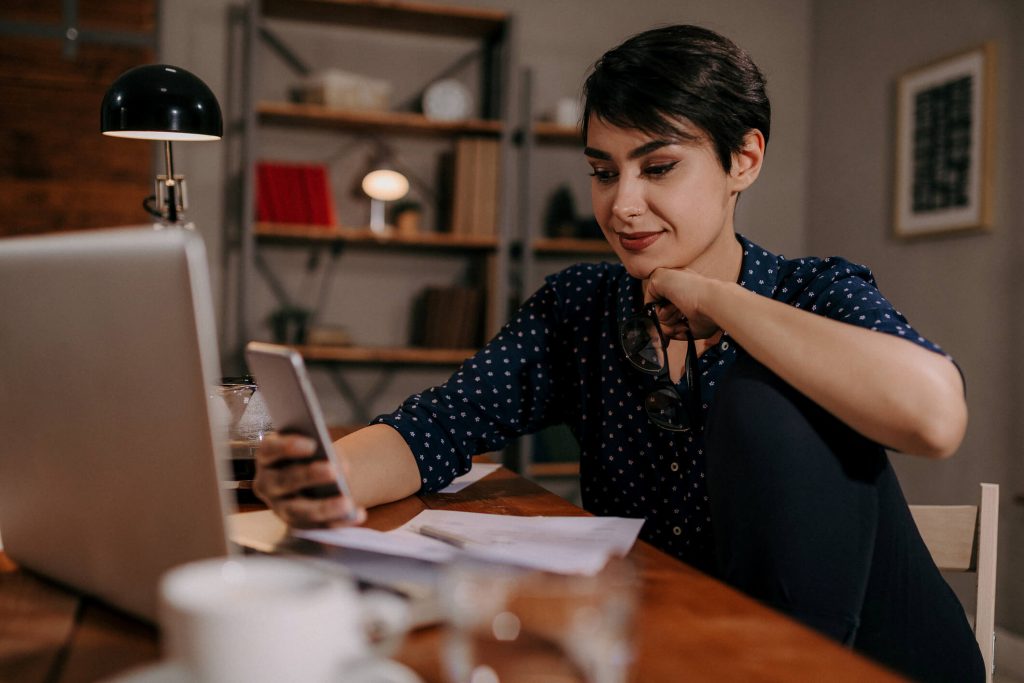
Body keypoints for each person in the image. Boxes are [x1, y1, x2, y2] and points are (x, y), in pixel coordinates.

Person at [254, 24, 983, 682]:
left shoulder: (813, 290)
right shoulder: (583, 308)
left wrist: (718, 301)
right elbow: (439, 426)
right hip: (684, 650)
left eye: (657, 167)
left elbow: (935, 416)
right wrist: (329, 473)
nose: (622, 205)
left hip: (874, 665)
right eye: (604, 171)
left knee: (766, 398)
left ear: (744, 159)